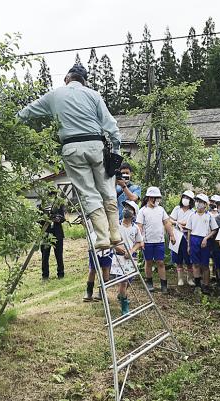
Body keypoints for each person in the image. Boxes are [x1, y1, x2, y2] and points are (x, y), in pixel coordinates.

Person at [17, 64, 121, 249]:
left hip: (72, 147)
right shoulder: (93, 95)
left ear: (67, 78)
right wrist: (116, 151)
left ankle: (103, 237)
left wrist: (11, 122)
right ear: (84, 81)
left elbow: (27, 112)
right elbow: (110, 124)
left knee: (88, 191)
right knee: (106, 187)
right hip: (96, 145)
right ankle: (115, 232)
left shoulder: (55, 95)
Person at [136, 187, 176, 294]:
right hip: (147, 241)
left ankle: (164, 284)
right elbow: (139, 227)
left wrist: (172, 235)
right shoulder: (142, 211)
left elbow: (167, 223)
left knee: (161, 262)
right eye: (155, 198)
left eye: (158, 198)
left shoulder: (161, 210)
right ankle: (149, 282)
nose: (157, 201)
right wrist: (140, 241)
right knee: (148, 262)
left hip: (159, 241)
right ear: (149, 198)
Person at [111, 200, 143, 315]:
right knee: (123, 282)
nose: (126, 210)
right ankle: (125, 306)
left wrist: (131, 251)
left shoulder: (135, 228)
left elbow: (139, 242)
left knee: (129, 280)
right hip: (118, 257)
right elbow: (111, 240)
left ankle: (121, 294)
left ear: (134, 214)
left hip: (131, 257)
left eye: (130, 208)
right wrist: (118, 248)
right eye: (126, 207)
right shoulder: (116, 225)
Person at [187, 194, 219, 295]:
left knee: (205, 265)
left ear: (205, 204)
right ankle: (197, 285)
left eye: (201, 201)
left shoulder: (209, 216)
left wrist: (206, 238)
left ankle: (206, 285)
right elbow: (189, 231)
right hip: (194, 239)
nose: (198, 203)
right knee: (195, 264)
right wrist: (188, 245)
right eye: (197, 201)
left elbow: (214, 229)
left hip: (204, 240)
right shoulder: (192, 215)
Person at [170, 190, 195, 287]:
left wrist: (186, 224)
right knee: (178, 257)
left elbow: (193, 223)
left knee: (188, 258)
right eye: (184, 197)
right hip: (177, 235)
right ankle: (180, 278)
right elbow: (170, 219)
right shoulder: (177, 209)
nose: (185, 200)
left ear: (191, 201)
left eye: (188, 198)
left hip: (187, 236)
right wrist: (177, 222)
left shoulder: (193, 212)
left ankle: (190, 278)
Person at [39, 199, 66, 280]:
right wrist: (46, 219)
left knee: (59, 255)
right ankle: (45, 275)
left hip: (57, 233)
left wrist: (57, 218)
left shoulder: (59, 205)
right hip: (46, 233)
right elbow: (38, 220)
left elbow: (63, 218)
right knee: (45, 256)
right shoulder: (42, 205)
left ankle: (61, 274)